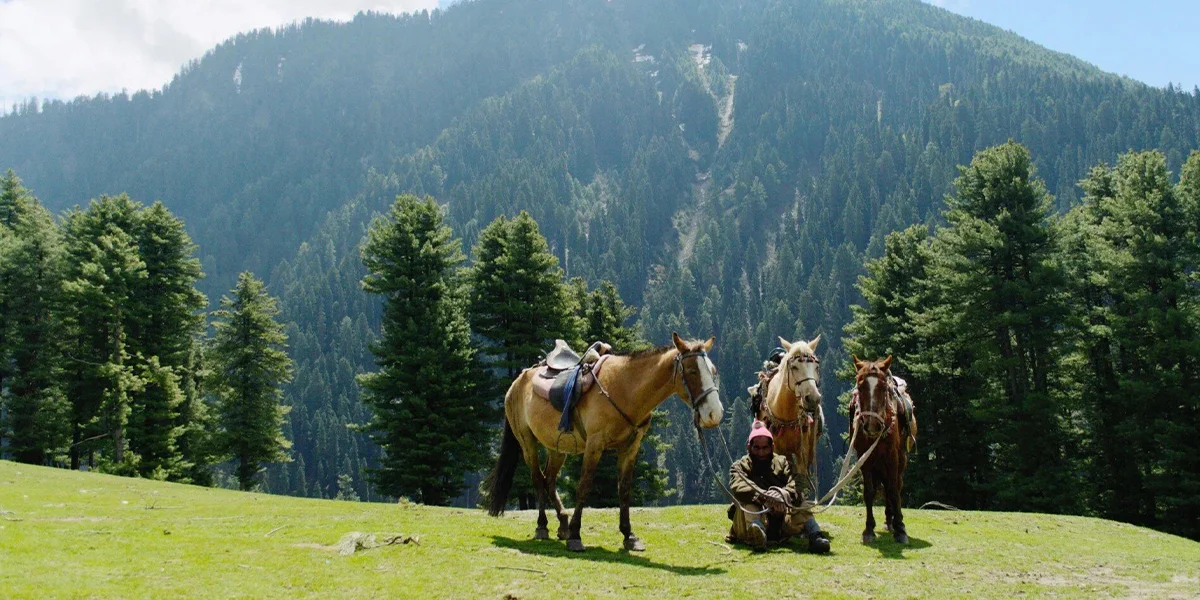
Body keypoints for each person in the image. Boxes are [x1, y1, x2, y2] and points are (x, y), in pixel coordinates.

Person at [726, 421, 831, 553]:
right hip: (749, 520)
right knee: (749, 507)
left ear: (772, 447)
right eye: (756, 448)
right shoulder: (739, 467)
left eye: (765, 448)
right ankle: (757, 534)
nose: (761, 452)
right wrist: (765, 497)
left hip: (781, 521)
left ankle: (815, 536)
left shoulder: (783, 463)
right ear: (749, 447)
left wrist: (784, 495)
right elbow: (738, 486)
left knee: (803, 505)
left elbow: (796, 483)